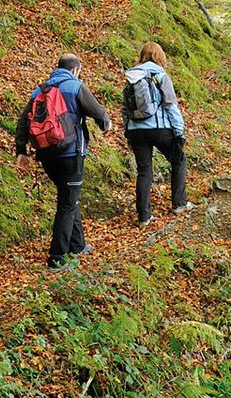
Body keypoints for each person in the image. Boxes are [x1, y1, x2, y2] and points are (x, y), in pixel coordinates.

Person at [15, 53, 111, 270]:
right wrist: (106, 124)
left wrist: (21, 151)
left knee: (69, 197)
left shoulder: (40, 91)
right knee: (67, 203)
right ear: (75, 70)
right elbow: (99, 112)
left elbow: (23, 122)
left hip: (47, 156)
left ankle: (77, 245)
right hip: (70, 154)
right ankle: (57, 258)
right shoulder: (75, 87)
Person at [122, 41, 194, 225]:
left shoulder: (132, 77)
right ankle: (179, 203)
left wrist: (128, 130)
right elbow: (170, 104)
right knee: (178, 159)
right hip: (159, 128)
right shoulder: (160, 75)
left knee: (144, 170)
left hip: (136, 130)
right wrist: (179, 130)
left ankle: (144, 216)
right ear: (159, 56)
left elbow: (125, 108)